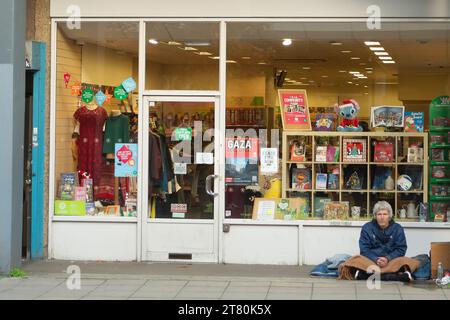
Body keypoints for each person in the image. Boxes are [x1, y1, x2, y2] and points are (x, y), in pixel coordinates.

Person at [356, 201, 412, 282]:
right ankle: (398, 276)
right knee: (356, 259)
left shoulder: (397, 228)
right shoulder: (367, 228)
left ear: (389, 216)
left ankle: (364, 275)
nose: (382, 217)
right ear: (375, 216)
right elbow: (364, 249)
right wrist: (375, 259)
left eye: (385, 214)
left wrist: (387, 258)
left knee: (407, 261)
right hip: (372, 261)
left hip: (391, 261)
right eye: (379, 214)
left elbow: (401, 248)